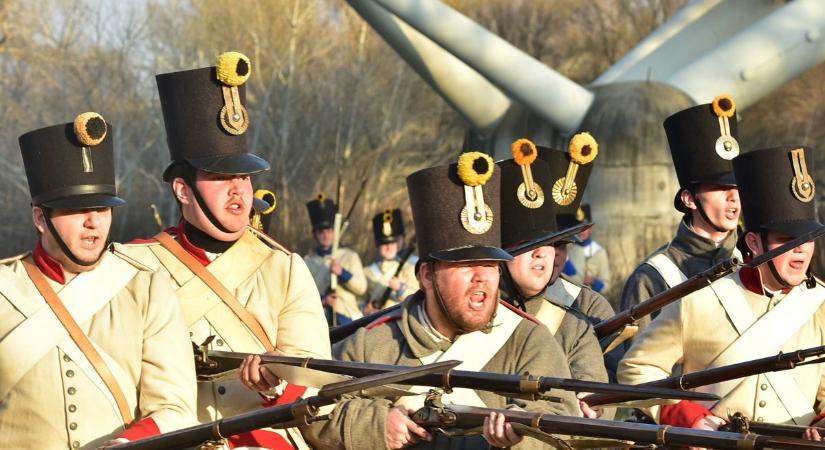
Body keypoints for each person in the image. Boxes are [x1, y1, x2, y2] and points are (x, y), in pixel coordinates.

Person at [119, 52, 330, 449]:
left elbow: (313, 378)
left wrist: (275, 384)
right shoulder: (134, 265)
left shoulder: (284, 268)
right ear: (183, 190)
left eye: (244, 177)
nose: (239, 189)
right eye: (220, 177)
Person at [0, 113, 196, 449]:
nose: (93, 222)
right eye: (77, 210)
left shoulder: (145, 289)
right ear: (40, 218)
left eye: (102, 209)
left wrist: (128, 443)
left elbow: (174, 407)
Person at [619, 145, 825, 441]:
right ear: (754, 243)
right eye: (787, 239)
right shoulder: (698, 300)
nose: (802, 249)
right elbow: (637, 368)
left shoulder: (819, 302)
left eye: (809, 239)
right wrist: (683, 416)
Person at [498, 137, 608, 415]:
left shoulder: (581, 318)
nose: (547, 255)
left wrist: (594, 403)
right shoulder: (473, 311)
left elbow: (606, 392)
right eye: (528, 246)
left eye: (558, 244)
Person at [619, 95, 741, 338]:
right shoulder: (652, 276)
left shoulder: (756, 261)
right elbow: (632, 367)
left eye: (738, 188)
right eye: (719, 188)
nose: (733, 197)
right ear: (689, 199)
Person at [303, 194, 367, 324]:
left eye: (329, 230)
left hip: (348, 319)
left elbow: (362, 288)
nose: (325, 235)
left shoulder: (350, 256)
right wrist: (323, 300)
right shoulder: (307, 262)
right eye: (321, 231)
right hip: (319, 321)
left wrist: (342, 273)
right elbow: (303, 295)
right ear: (314, 234)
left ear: (335, 231)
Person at [363, 208, 419, 313]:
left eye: (393, 242)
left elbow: (420, 300)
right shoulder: (368, 272)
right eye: (384, 243)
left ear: (401, 240)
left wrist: (400, 288)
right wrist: (366, 310)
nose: (388, 247)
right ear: (377, 246)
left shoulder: (414, 265)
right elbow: (358, 302)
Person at [563, 204, 611, 294]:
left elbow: (606, 286)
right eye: (578, 228)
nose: (581, 231)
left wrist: (593, 282)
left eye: (584, 227)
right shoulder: (567, 250)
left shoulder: (599, 252)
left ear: (590, 229)